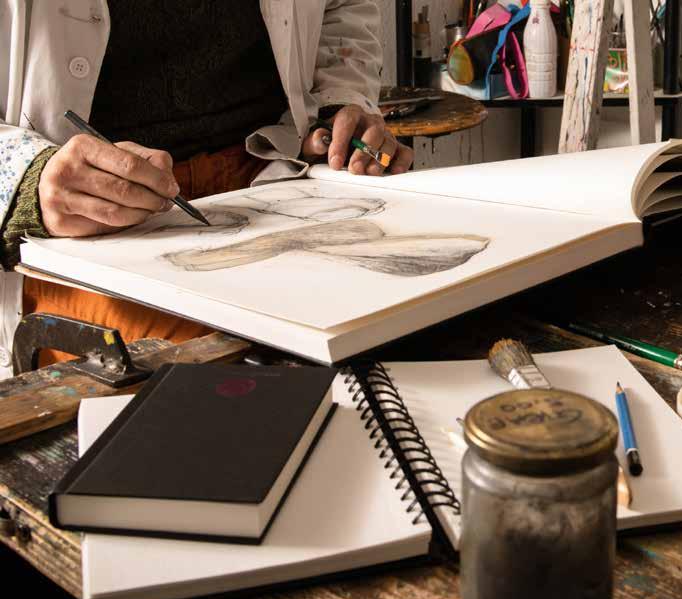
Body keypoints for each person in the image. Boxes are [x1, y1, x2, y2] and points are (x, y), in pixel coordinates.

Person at [0, 1, 413, 379]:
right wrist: (29, 179)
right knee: (217, 394)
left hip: (275, 181)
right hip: (93, 227)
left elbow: (343, 7)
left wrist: (336, 101)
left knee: (401, 333)